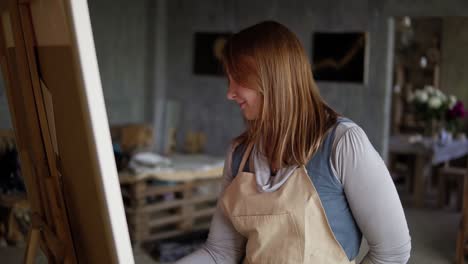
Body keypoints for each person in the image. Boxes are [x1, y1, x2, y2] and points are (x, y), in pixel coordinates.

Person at [176, 21, 411, 264]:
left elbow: (392, 251)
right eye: (229, 79)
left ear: (273, 78)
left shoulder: (343, 144)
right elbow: (220, 253)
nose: (230, 92)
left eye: (239, 79)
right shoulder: (239, 155)